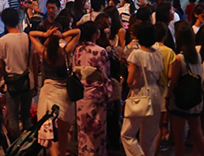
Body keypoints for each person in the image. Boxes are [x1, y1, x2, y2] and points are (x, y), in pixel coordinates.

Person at [30, 26, 81, 156]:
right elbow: (77, 32)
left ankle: (53, 153)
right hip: (63, 92)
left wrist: (46, 33)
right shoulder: (65, 52)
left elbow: (31, 34)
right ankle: (62, 153)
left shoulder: (43, 52)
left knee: (49, 126)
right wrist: (61, 34)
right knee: (63, 129)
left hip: (48, 91)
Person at [0, 8, 36, 139]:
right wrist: (36, 84)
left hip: (11, 83)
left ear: (4, 22)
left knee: (13, 117)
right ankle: (28, 143)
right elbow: (34, 62)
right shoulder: (27, 38)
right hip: (27, 81)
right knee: (26, 116)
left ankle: (17, 145)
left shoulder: (3, 41)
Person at [120, 21, 162, 156]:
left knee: (127, 134)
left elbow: (130, 81)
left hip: (140, 93)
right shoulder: (158, 53)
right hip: (155, 92)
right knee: (149, 135)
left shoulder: (136, 54)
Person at [72, 21, 111, 156]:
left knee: (83, 131)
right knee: (97, 132)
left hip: (81, 94)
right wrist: (108, 92)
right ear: (96, 34)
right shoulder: (100, 51)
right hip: (96, 94)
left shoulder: (77, 50)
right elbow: (105, 74)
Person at [166, 21, 204, 156]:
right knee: (197, 134)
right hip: (195, 99)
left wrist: (167, 97)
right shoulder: (197, 55)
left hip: (180, 101)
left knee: (179, 138)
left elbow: (174, 80)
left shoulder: (179, 58)